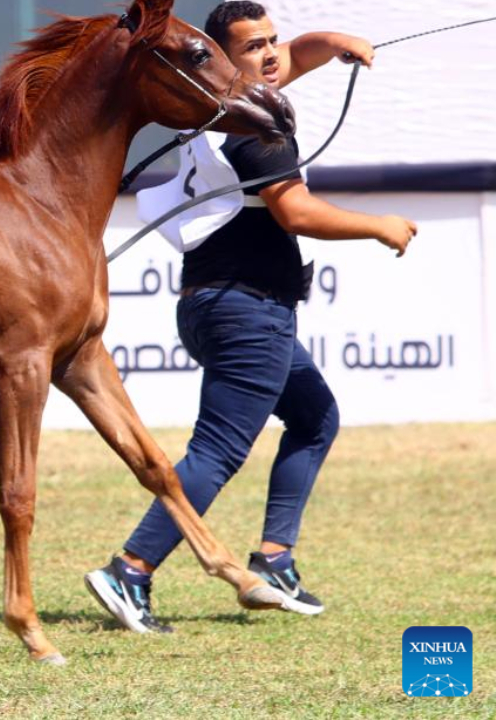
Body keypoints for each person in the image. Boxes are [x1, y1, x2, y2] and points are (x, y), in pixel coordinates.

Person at [85, 1, 418, 633]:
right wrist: (380, 226)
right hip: (247, 310)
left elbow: (299, 54)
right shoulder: (255, 131)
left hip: (218, 303)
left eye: (272, 41)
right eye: (252, 48)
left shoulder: (220, 109)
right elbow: (296, 213)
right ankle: (130, 569)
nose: (270, 55)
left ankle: (275, 559)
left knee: (315, 418)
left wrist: (337, 41)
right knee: (216, 450)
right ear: (221, 65)